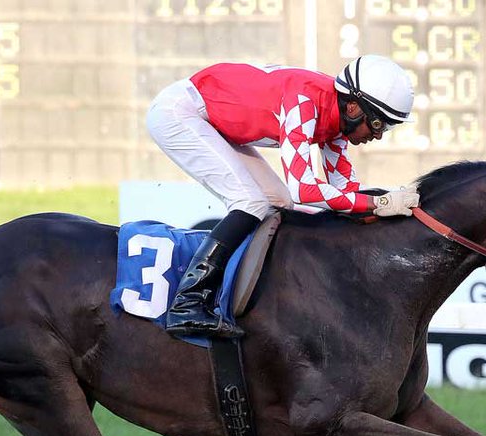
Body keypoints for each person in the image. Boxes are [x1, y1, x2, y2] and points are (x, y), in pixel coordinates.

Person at [146, 55, 419, 339]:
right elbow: (304, 189)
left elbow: (347, 193)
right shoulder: (305, 102)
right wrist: (380, 202)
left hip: (213, 121)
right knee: (250, 202)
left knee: (278, 203)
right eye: (377, 124)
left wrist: (390, 206)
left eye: (386, 128)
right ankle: (187, 302)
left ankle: (258, 296)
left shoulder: (337, 123)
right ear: (353, 106)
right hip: (180, 114)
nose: (377, 136)